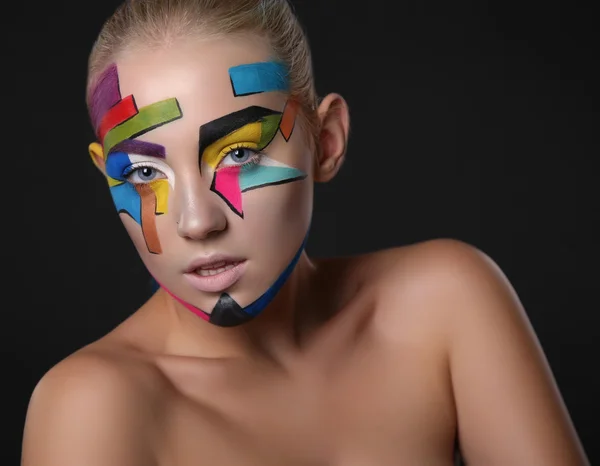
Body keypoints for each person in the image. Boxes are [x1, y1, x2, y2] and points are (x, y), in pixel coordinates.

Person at [21, 0, 589, 464]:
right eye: (145, 172)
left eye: (240, 152)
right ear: (106, 173)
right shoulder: (93, 407)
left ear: (328, 140)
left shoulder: (443, 305)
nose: (197, 221)